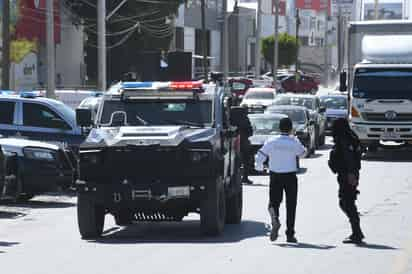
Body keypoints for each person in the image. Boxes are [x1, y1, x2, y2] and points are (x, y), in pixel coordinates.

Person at [255, 117, 306, 242]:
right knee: (291, 205)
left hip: (275, 175)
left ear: (279, 128)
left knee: (273, 202)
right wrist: (296, 139)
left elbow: (261, 154)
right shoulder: (294, 141)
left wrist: (260, 167)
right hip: (290, 176)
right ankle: (290, 234)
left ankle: (275, 219)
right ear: (290, 129)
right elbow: (303, 153)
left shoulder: (272, 141)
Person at [328, 118, 364, 244]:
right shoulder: (351, 137)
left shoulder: (344, 139)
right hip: (349, 173)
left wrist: (351, 174)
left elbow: (349, 158)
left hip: (348, 175)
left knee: (346, 203)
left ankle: (357, 232)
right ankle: (356, 229)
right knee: (347, 202)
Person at [238, 107, 254, 185]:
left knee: (243, 161)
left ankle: (243, 177)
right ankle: (244, 177)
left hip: (239, 142)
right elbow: (250, 131)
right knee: (246, 161)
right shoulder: (245, 119)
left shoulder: (232, 117)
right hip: (243, 142)